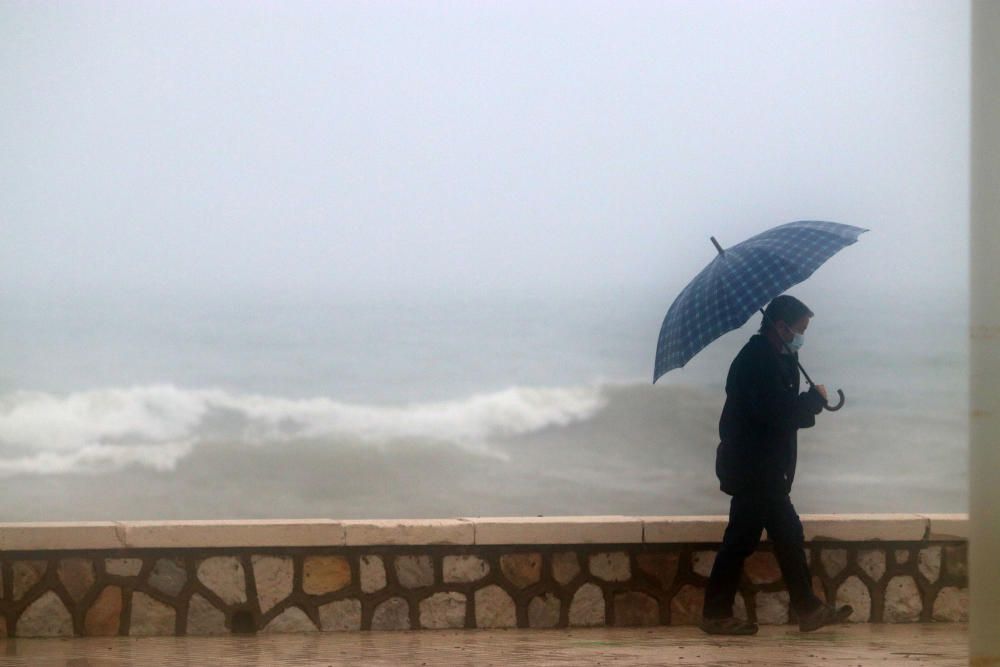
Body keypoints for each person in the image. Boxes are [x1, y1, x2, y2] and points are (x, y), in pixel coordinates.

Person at [699, 294, 852, 635]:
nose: (802, 336)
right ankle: (716, 614)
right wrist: (811, 402)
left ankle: (806, 608)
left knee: (784, 534)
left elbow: (782, 413)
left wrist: (808, 402)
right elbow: (772, 414)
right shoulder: (755, 360)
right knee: (744, 539)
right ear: (780, 326)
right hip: (753, 467)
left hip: (768, 468)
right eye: (800, 329)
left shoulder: (780, 357)